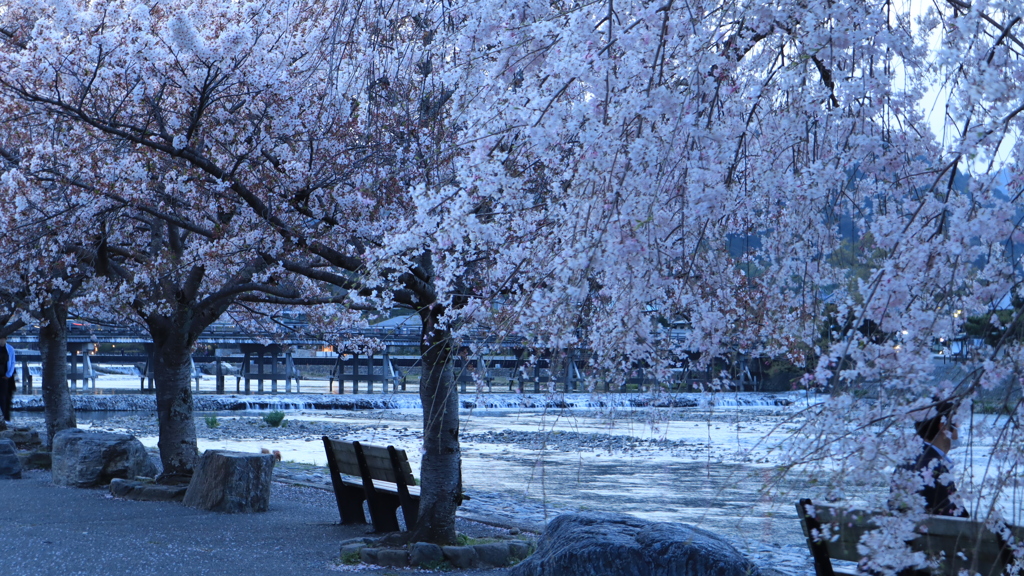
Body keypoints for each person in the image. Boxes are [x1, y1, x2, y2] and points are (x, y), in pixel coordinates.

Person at [892, 399, 968, 518]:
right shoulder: (936, 468)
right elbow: (955, 521)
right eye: (957, 424)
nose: (959, 430)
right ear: (944, 427)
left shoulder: (907, 461)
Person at [0, 335, 14, 423]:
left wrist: (9, 374)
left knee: (3, 397)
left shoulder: (10, 349)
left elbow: (12, 362)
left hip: (4, 376)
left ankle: (4, 418)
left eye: (2, 339)